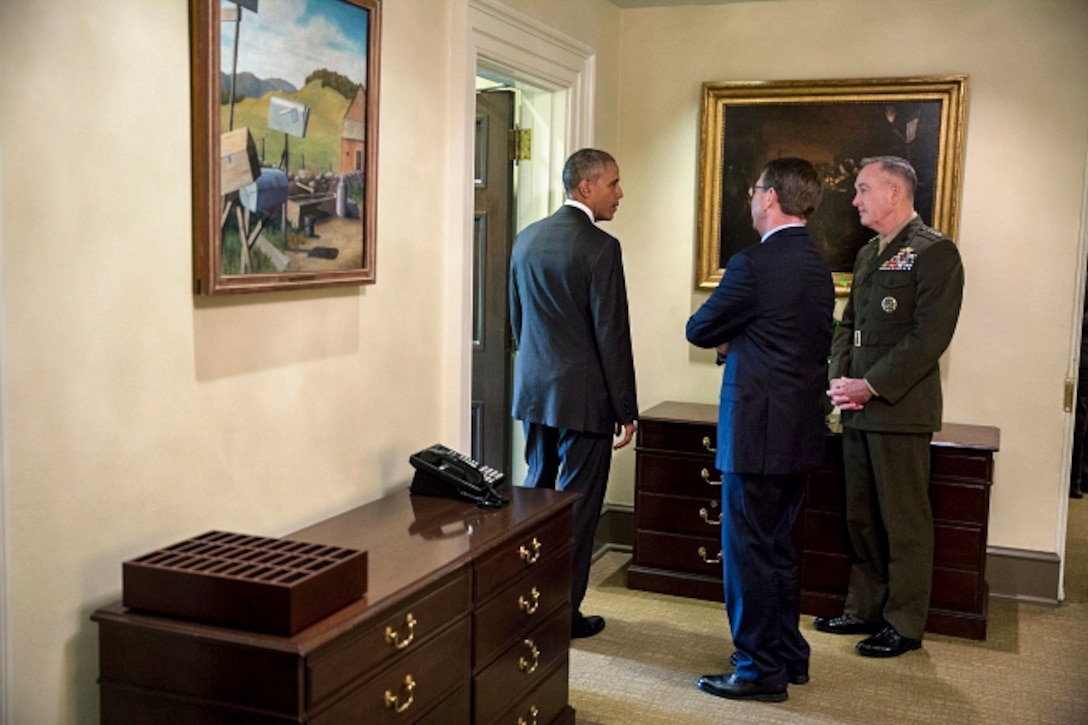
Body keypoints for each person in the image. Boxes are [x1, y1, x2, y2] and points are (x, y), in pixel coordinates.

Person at [687, 157, 834, 702]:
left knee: (748, 554)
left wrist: (732, 337)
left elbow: (700, 328)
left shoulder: (753, 264)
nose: (751, 199)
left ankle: (756, 671)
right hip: (799, 430)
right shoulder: (818, 263)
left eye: (753, 191)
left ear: (769, 197)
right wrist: (742, 335)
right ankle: (789, 655)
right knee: (780, 551)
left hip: (755, 436)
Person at [819, 155, 964, 658]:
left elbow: (929, 339)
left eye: (862, 190)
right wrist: (838, 379)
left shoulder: (934, 252)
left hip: (899, 410)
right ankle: (863, 608)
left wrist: (870, 385)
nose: (855, 199)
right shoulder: (869, 254)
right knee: (861, 515)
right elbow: (848, 324)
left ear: (894, 193)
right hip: (858, 409)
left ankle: (903, 624)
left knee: (903, 521)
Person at [509, 148, 639, 640]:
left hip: (535, 393)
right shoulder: (601, 248)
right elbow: (613, 335)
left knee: (535, 501)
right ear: (586, 186)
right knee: (579, 509)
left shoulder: (526, 239)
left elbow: (518, 324)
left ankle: (527, 603)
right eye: (614, 182)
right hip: (584, 400)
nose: (620, 192)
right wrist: (626, 408)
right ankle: (563, 614)